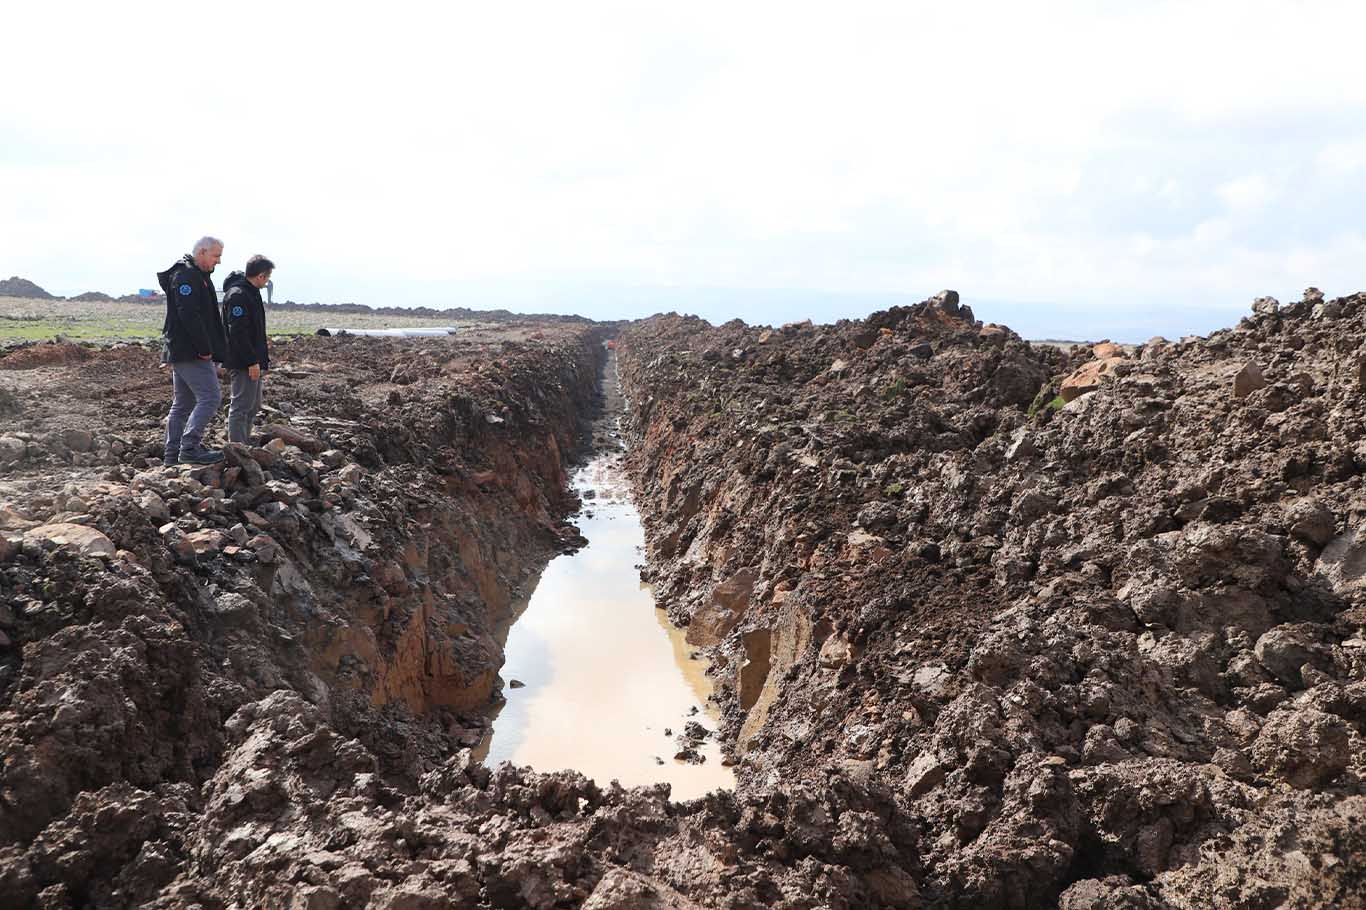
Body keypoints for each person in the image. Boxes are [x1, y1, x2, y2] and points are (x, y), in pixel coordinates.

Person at [157, 236, 228, 465]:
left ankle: (172, 455)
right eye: (216, 256)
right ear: (203, 252)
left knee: (183, 404)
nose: (218, 262)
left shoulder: (197, 276)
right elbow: (189, 315)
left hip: (184, 349)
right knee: (210, 397)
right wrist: (204, 349)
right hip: (189, 350)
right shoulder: (186, 276)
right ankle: (189, 447)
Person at [221, 254, 275, 444]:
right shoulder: (239, 295)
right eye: (267, 277)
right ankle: (237, 448)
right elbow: (238, 333)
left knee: (253, 406)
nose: (267, 281)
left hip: (253, 360)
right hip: (243, 361)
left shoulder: (251, 293)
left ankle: (244, 443)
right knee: (241, 406)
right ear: (260, 276)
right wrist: (251, 361)